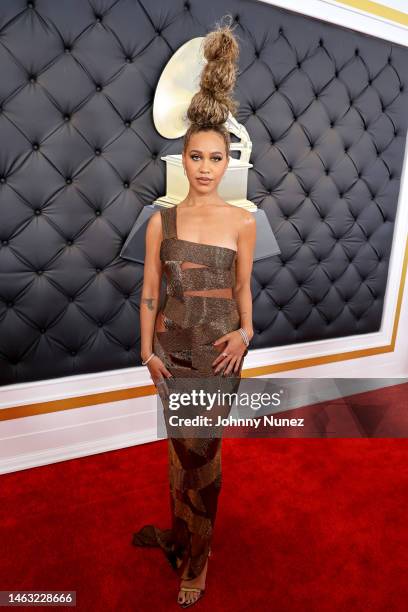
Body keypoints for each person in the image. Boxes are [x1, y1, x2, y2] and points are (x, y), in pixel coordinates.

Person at [132, 21, 256, 608]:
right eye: (196, 156)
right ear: (181, 159)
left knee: (202, 458)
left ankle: (198, 560)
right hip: (172, 355)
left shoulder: (244, 221)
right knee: (177, 453)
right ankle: (180, 534)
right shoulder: (162, 219)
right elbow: (150, 289)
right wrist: (146, 351)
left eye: (216, 157)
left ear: (228, 160)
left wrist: (247, 334)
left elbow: (243, 291)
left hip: (217, 356)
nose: (205, 166)